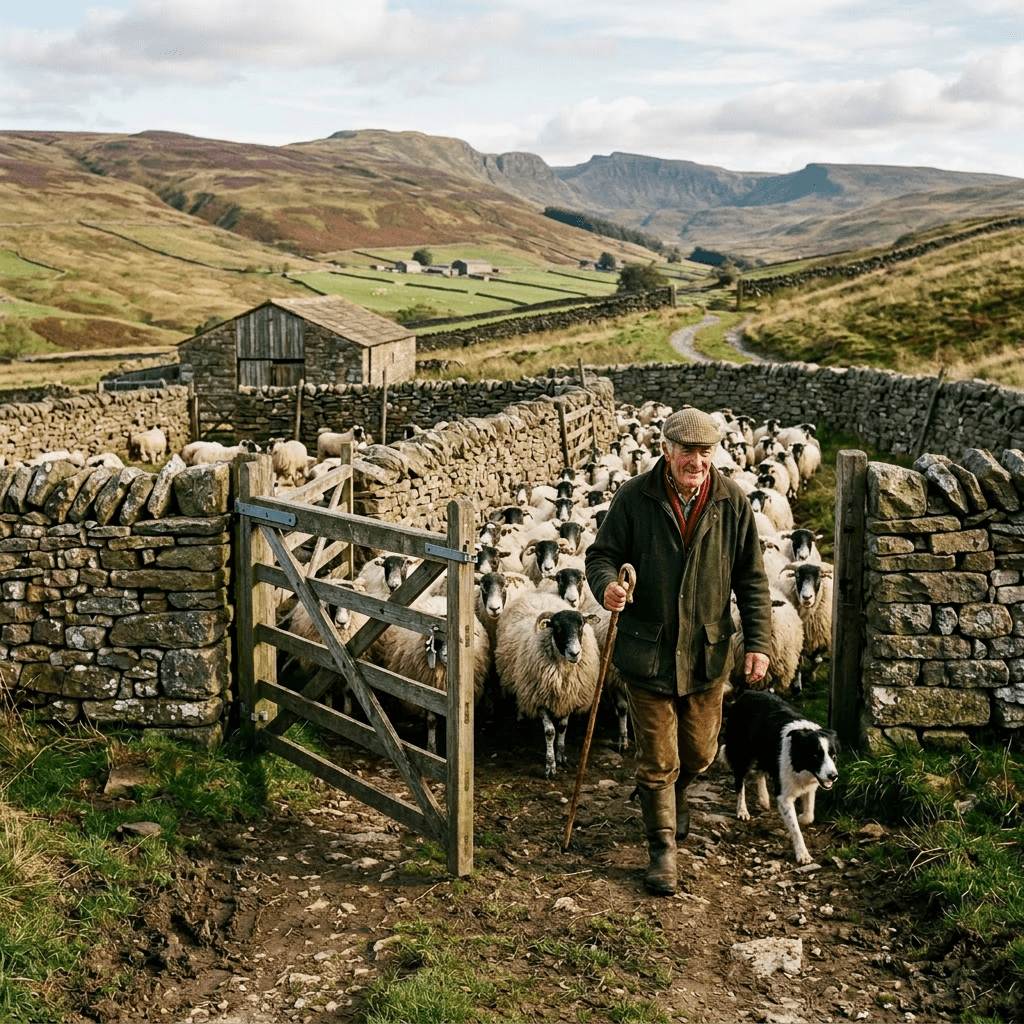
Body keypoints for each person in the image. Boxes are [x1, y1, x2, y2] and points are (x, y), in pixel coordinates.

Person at [585, 407, 772, 895]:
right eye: (686, 450)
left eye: (704, 451)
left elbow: (752, 579)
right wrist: (607, 587)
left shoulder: (732, 503)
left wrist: (759, 643)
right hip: (647, 652)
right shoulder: (635, 497)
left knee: (701, 753)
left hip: (706, 654)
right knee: (657, 759)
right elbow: (600, 555)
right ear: (666, 450)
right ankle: (662, 849)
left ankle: (676, 793)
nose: (696, 460)